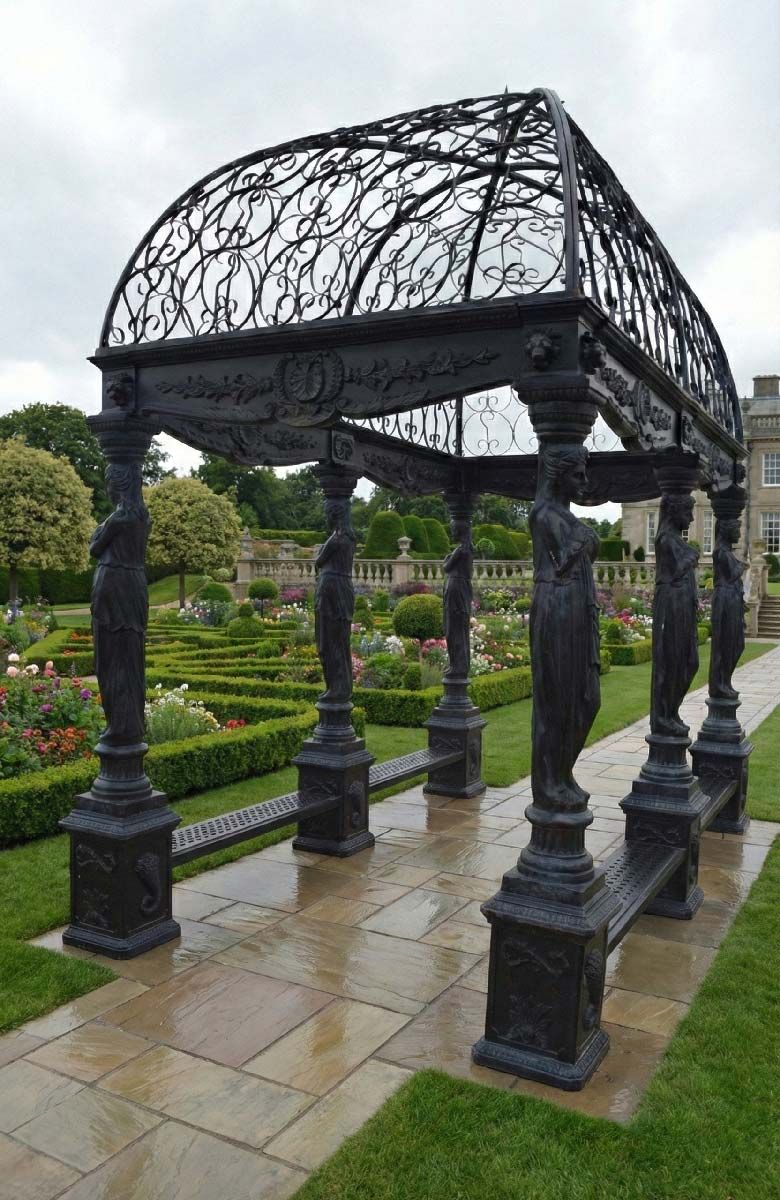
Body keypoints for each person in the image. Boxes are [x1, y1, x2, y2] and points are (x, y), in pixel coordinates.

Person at [530, 444, 601, 810]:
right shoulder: (543, 513)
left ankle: (562, 771)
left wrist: (588, 537)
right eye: (578, 474)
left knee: (588, 698)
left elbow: (583, 547)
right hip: (556, 606)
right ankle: (549, 782)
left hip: (575, 606)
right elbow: (565, 557)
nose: (584, 482)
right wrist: (587, 537)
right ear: (558, 475)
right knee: (555, 701)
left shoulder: (562, 515)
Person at [90, 461, 149, 746]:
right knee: (128, 658)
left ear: (120, 484)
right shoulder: (141, 515)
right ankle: (129, 722)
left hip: (114, 590)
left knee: (111, 660)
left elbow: (94, 547)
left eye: (110, 482)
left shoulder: (119, 518)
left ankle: (120, 724)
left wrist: (101, 530)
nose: (107, 488)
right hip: (131, 588)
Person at [651, 492, 699, 736]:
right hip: (671, 607)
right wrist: (691, 557)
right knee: (673, 662)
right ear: (673, 512)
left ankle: (672, 711)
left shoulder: (676, 540)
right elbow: (676, 570)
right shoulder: (665, 539)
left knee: (690, 662)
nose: (691, 519)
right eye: (687, 512)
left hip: (683, 606)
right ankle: (664, 715)